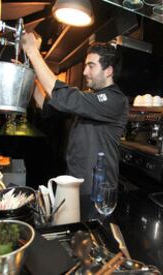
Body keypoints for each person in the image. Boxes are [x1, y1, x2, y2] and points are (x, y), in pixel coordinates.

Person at [21, 33, 129, 194]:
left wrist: (33, 52)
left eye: (91, 66)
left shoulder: (115, 100)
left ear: (108, 71)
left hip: (96, 189)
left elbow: (63, 96)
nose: (85, 71)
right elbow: (46, 104)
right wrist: (29, 74)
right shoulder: (92, 98)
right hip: (73, 182)